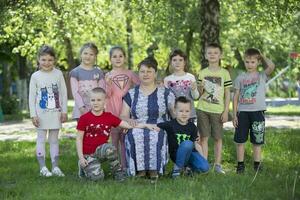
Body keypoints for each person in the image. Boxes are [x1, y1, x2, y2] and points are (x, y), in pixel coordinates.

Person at [76, 87, 156, 181]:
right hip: (88, 154)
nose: (95, 102)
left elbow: (127, 125)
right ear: (89, 101)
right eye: (93, 100)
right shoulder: (84, 118)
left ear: (105, 101)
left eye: (99, 100)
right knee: (98, 178)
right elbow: (79, 139)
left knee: (110, 148)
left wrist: (145, 125)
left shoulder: (109, 117)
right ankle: (83, 167)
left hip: (101, 152)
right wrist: (81, 157)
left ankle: (117, 172)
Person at [120, 57, 175, 179]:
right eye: (142, 71)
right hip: (137, 124)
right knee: (135, 134)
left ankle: (154, 170)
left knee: (157, 134)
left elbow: (174, 114)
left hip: (158, 124)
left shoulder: (166, 93)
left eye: (149, 71)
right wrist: (129, 120)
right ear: (138, 74)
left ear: (155, 74)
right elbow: (123, 115)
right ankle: (140, 171)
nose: (145, 74)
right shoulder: (131, 93)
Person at [233, 48, 275, 174]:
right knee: (240, 140)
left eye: (252, 62)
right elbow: (235, 97)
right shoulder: (240, 78)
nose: (249, 64)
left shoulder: (262, 75)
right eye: (247, 62)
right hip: (243, 113)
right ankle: (240, 165)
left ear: (258, 62)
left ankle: (257, 164)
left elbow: (272, 66)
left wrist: (262, 55)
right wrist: (234, 114)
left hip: (258, 112)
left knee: (257, 140)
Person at [29, 45, 68, 177]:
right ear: (38, 60)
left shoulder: (58, 74)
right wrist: (33, 115)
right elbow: (31, 97)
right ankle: (43, 168)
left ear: (54, 60)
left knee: (54, 140)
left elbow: (63, 93)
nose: (47, 63)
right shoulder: (35, 76)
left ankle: (55, 167)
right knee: (41, 139)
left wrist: (64, 111)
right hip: (40, 115)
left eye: (50, 60)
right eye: (43, 59)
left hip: (55, 114)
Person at [197, 43, 232, 174]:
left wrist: (226, 111)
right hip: (203, 109)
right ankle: (204, 165)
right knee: (203, 138)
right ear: (206, 55)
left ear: (220, 55)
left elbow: (227, 93)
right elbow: (199, 93)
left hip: (218, 110)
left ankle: (217, 165)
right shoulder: (202, 73)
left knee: (218, 138)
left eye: (215, 53)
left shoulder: (225, 73)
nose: (212, 55)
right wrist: (197, 88)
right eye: (209, 53)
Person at [105, 46, 140, 169]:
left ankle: (125, 167)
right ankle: (115, 167)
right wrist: (108, 84)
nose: (118, 58)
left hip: (126, 114)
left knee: (125, 142)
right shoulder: (108, 75)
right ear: (110, 59)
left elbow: (140, 86)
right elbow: (107, 95)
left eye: (120, 56)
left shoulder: (130, 74)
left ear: (124, 58)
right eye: (114, 56)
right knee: (114, 142)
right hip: (112, 113)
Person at [157, 96, 210, 178]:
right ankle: (176, 170)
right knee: (187, 143)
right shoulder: (170, 125)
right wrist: (143, 125)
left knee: (205, 167)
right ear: (174, 111)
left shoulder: (192, 127)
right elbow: (155, 126)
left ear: (190, 112)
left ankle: (189, 170)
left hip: (190, 154)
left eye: (187, 111)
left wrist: (203, 159)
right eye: (181, 111)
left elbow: (196, 144)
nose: (184, 114)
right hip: (177, 155)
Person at [70, 42, 105, 120]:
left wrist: (98, 107)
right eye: (85, 53)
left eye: (91, 54)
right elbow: (75, 92)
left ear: (95, 56)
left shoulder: (98, 72)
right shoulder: (75, 72)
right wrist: (82, 108)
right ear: (81, 54)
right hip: (81, 110)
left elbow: (102, 91)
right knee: (82, 132)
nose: (88, 56)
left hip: (97, 109)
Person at [164, 49, 199, 122]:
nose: (177, 62)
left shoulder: (190, 77)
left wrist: (193, 89)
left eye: (180, 60)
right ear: (170, 62)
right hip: (174, 115)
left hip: (189, 115)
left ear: (184, 62)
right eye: (174, 60)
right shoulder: (167, 80)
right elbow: (167, 100)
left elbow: (196, 97)